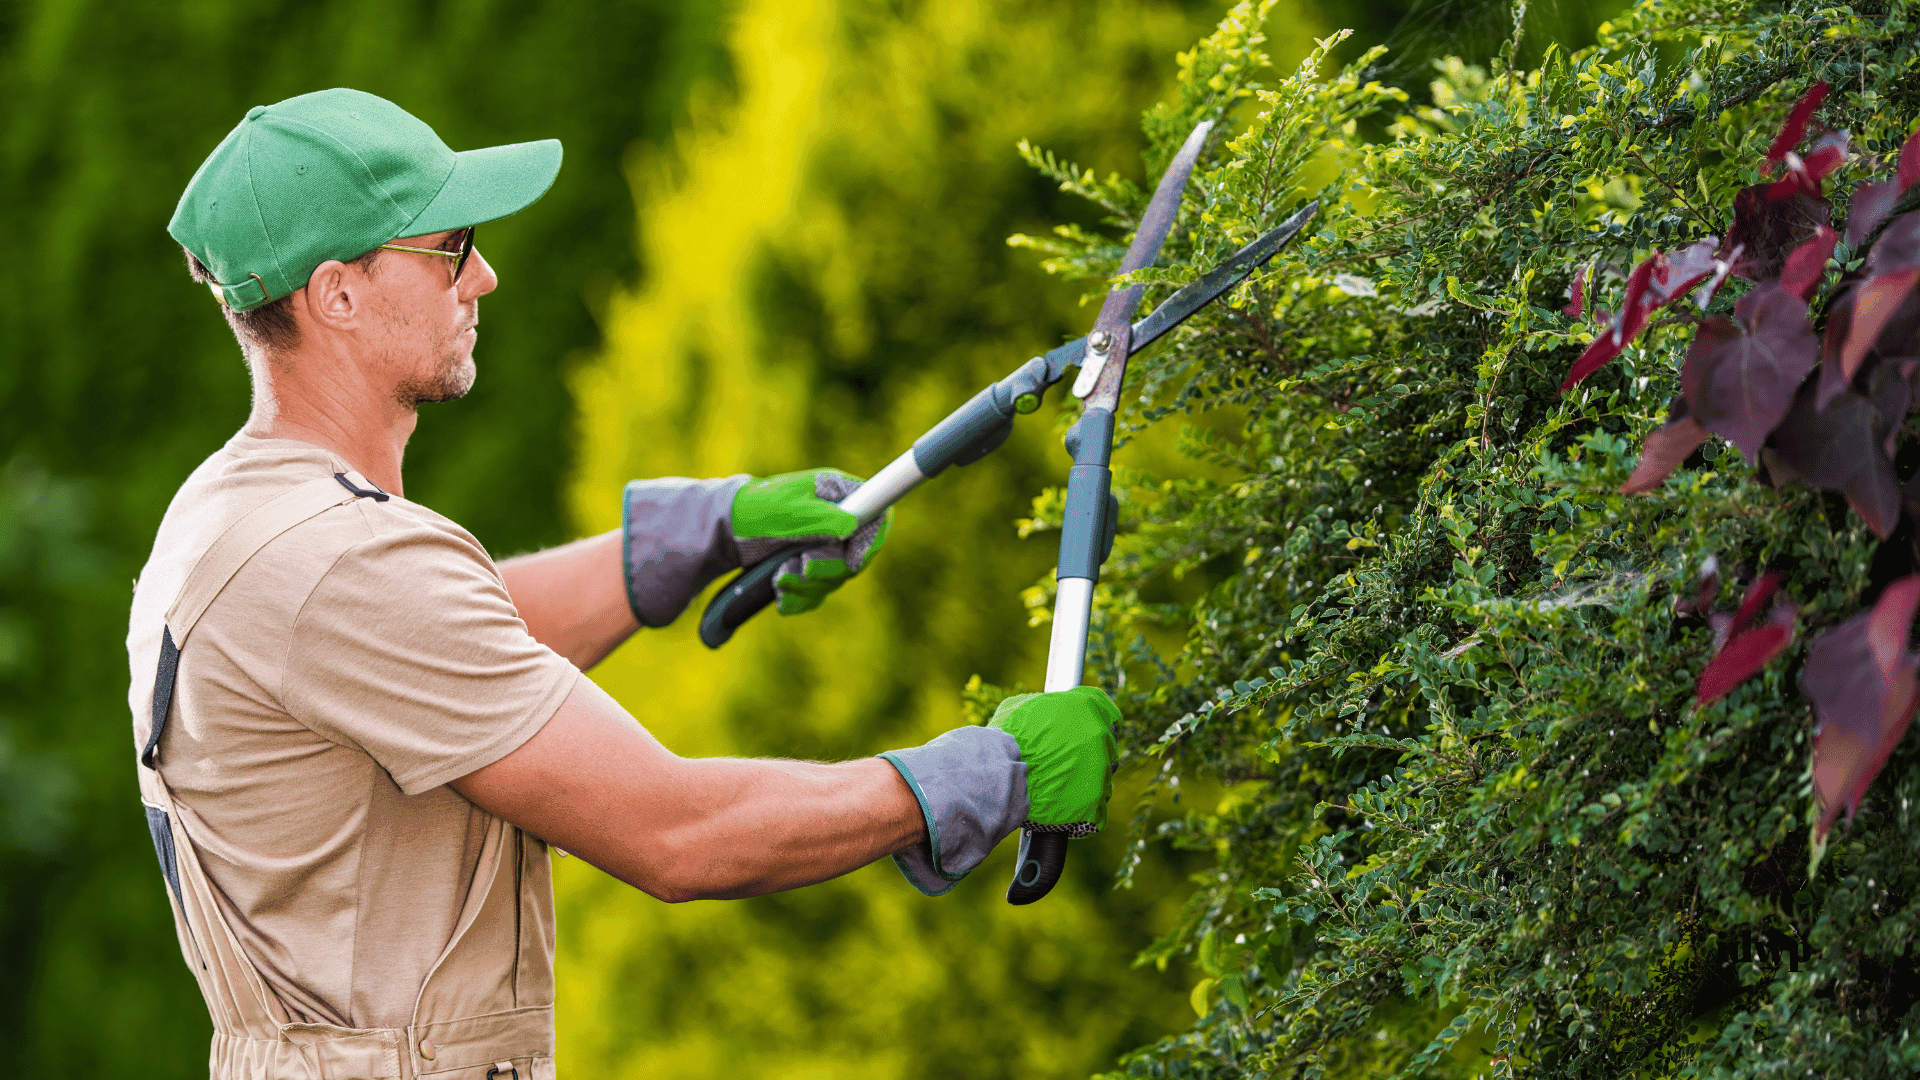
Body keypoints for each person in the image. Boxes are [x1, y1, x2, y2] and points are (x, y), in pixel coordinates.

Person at [129, 88, 1120, 1079]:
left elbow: (450, 654)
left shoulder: (239, 513)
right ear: (337, 294)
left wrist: (702, 534)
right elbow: (682, 833)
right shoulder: (341, 564)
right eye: (450, 247)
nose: (484, 276)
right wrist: (989, 776)